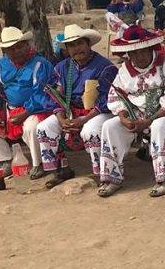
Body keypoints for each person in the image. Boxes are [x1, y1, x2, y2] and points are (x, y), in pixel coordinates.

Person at [98, 25, 165, 198]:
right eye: (133, 53)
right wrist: (123, 118)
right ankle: (112, 178)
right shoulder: (124, 70)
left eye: (143, 51)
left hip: (164, 114)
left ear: (150, 48)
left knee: (159, 126)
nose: (138, 56)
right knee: (110, 126)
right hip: (135, 116)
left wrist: (149, 120)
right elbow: (116, 96)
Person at [36, 25, 117, 187]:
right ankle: (61, 169)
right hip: (70, 111)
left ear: (88, 44)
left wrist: (84, 119)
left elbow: (107, 99)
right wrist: (61, 118)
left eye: (80, 43)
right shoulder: (62, 67)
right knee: (44, 128)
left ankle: (102, 173)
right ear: (66, 49)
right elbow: (56, 95)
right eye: (71, 45)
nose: (76, 49)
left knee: (91, 130)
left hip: (98, 111)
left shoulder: (105, 67)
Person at [0, 27, 53, 177]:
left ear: (27, 45)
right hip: (9, 110)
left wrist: (26, 112)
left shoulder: (40, 64)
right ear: (5, 51)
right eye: (11, 48)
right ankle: (5, 159)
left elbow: (44, 93)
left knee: (32, 126)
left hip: (35, 109)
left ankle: (39, 163)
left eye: (19, 47)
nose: (16, 51)